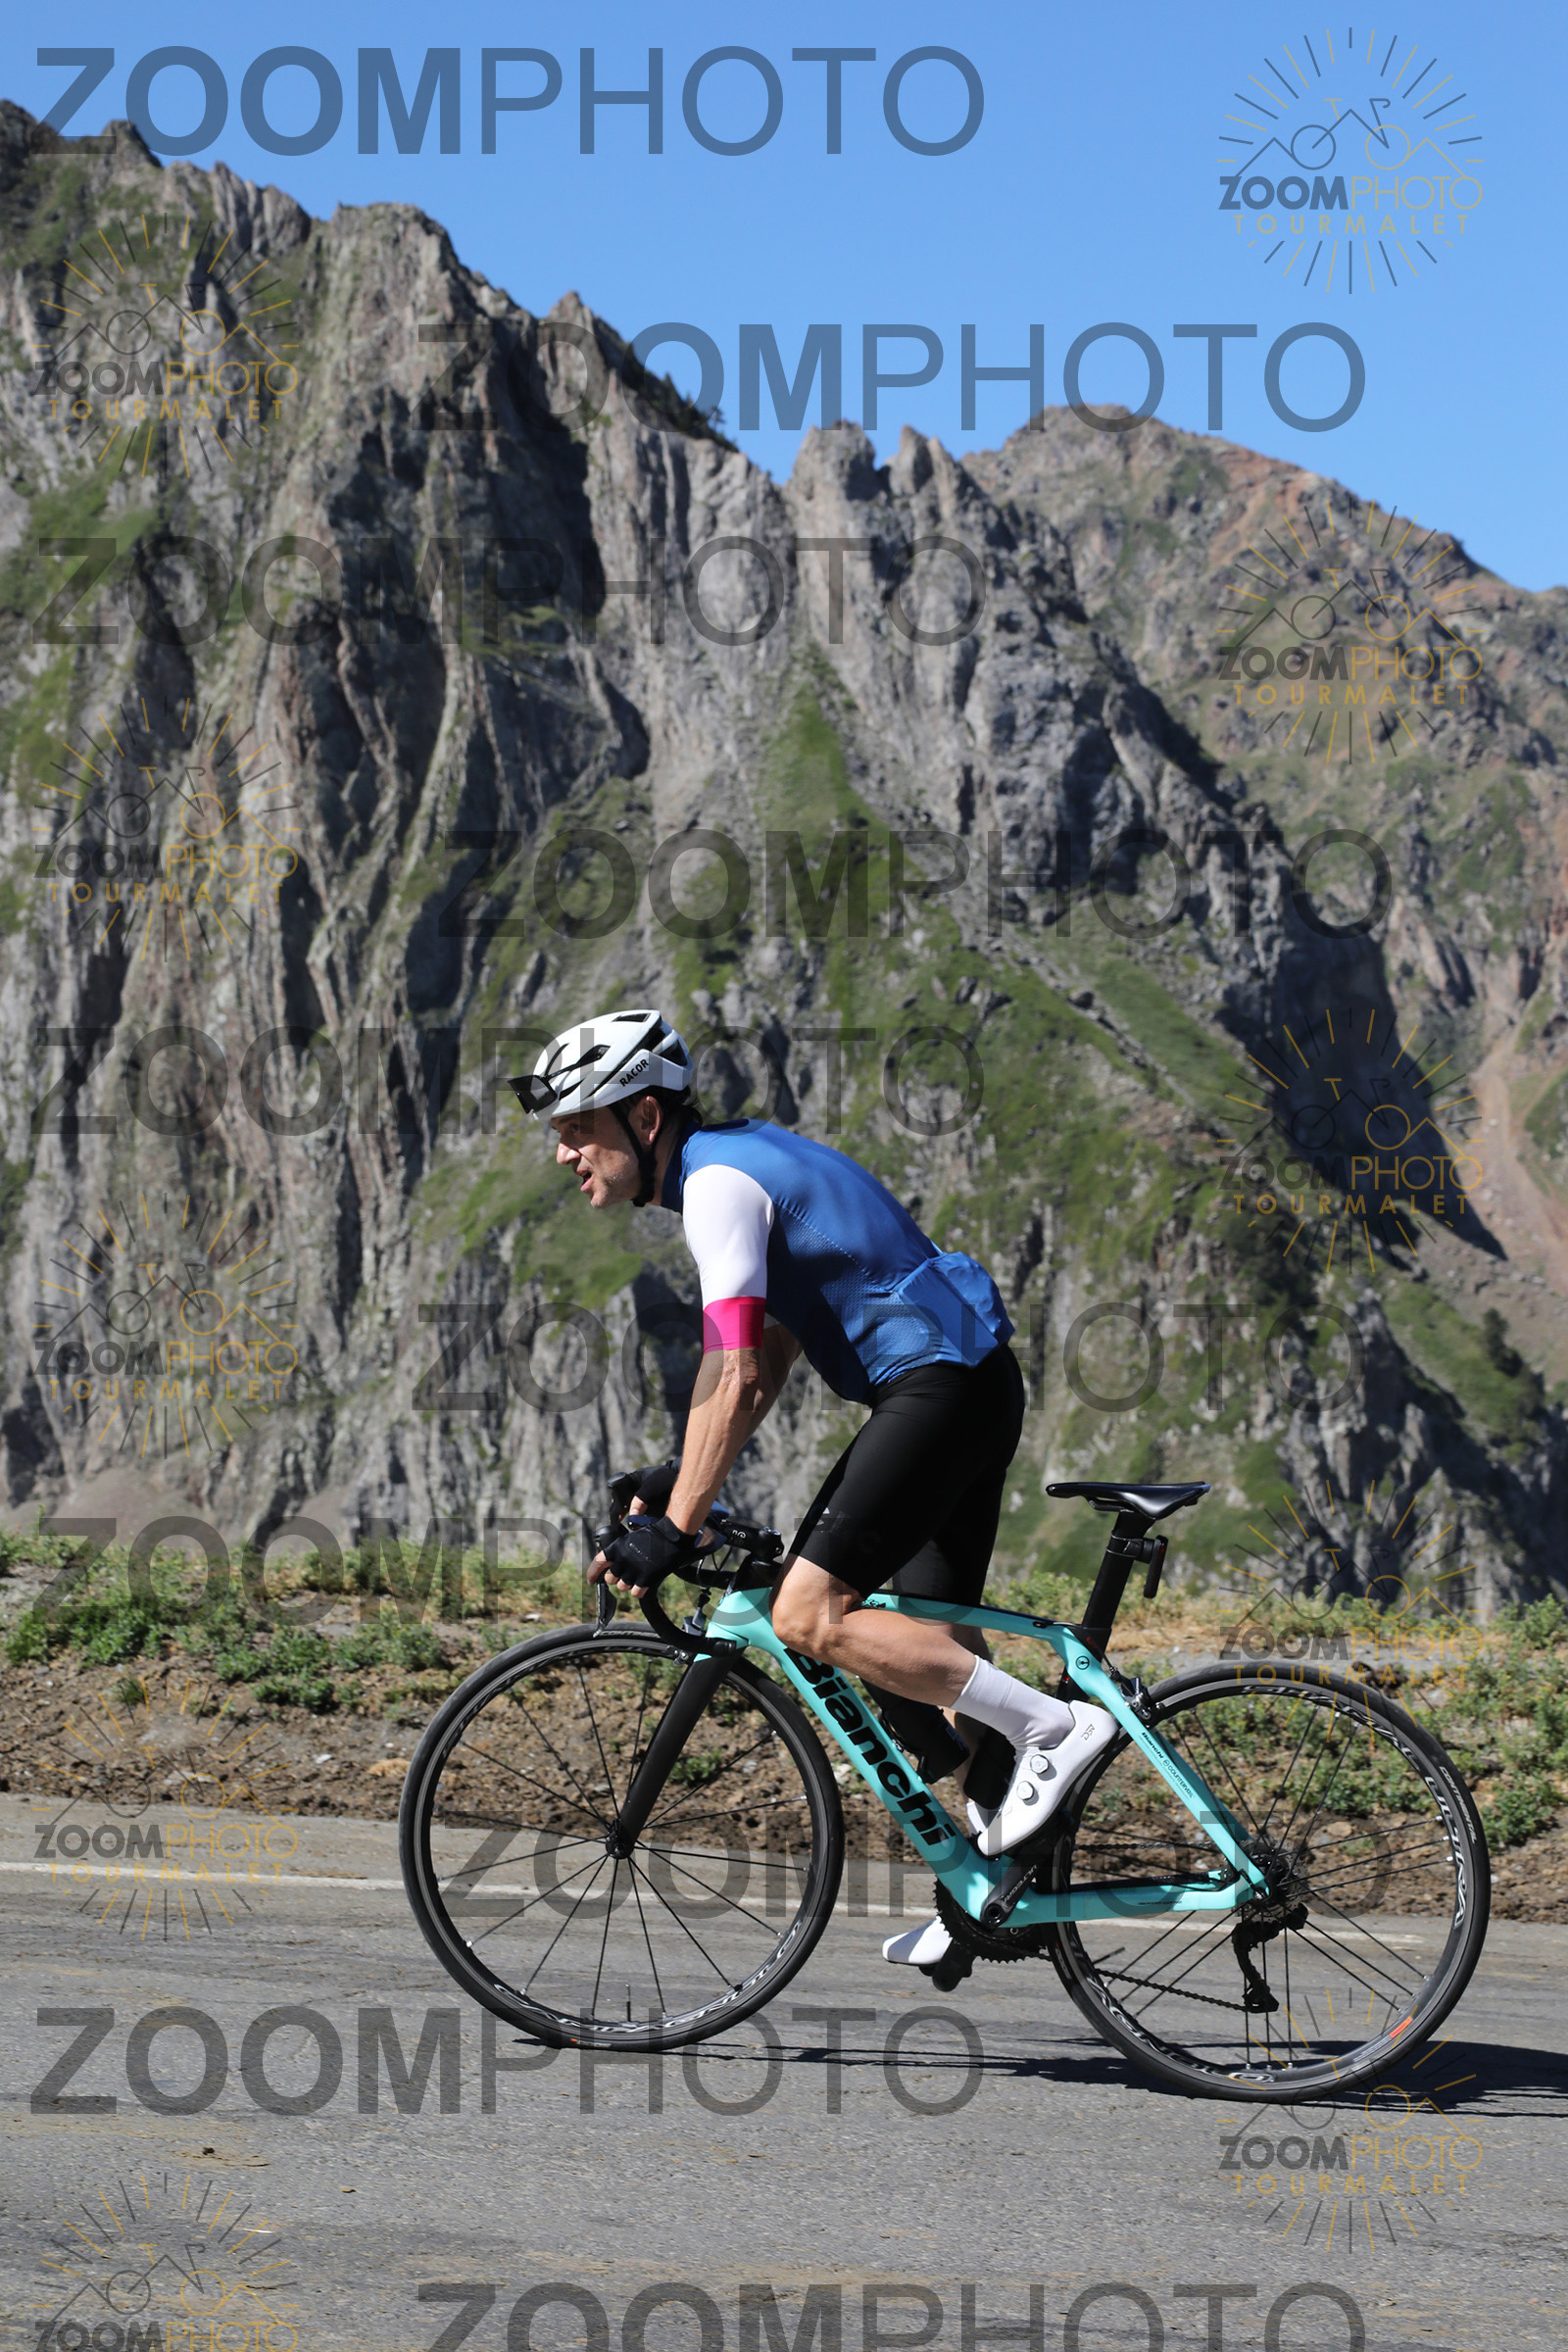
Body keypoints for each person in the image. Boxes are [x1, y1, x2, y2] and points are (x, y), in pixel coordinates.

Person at [513, 1007, 1115, 1976]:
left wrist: (675, 1527)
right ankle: (998, 1887)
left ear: (645, 1118)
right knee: (916, 1648)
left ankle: (1056, 1728)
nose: (563, 1153)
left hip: (939, 1389)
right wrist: (681, 1478)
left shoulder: (715, 1186)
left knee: (807, 1614)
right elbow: (767, 1355)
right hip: (964, 1385)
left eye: (579, 1128)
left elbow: (739, 1372)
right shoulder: (735, 1162)